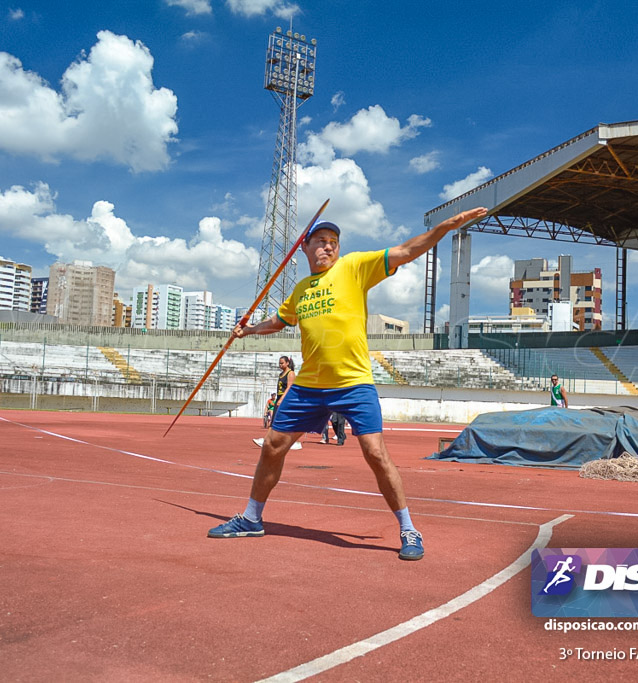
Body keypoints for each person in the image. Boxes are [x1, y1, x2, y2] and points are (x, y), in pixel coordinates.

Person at [209, 206, 488, 560]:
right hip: (310, 384)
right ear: (305, 248)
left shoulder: (355, 267)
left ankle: (408, 529)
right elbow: (280, 321)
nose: (328, 248)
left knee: (375, 452)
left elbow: (406, 250)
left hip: (353, 382)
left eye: (334, 243)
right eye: (321, 242)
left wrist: (444, 229)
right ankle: (251, 519)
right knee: (272, 446)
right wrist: (247, 330)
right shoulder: (300, 290)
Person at [254, 356, 301, 450]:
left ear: (287, 363)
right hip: (280, 398)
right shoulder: (281, 374)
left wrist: (281, 399)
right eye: (279, 363)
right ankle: (271, 440)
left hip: (285, 399)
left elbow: (289, 387)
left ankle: (270, 440)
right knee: (276, 420)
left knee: (280, 420)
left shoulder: (290, 373)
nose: (280, 365)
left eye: (282, 363)